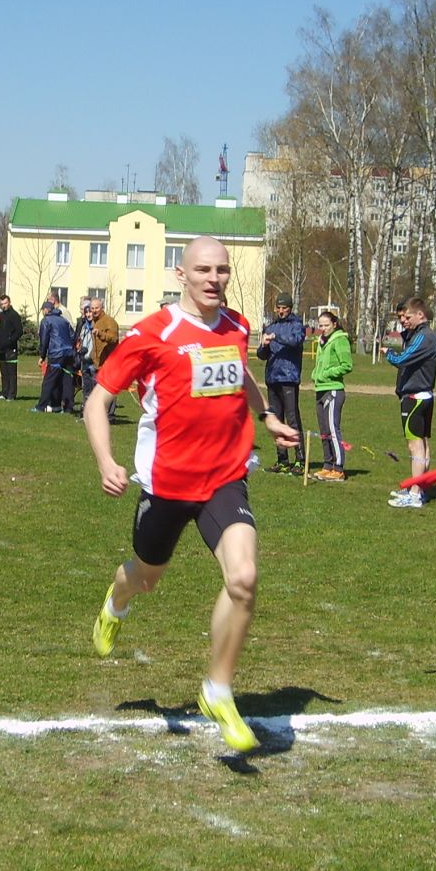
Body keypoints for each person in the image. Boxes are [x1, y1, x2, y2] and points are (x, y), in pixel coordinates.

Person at [83, 235, 300, 753]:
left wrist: (265, 415)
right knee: (146, 578)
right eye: (203, 269)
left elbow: (240, 374)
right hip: (168, 484)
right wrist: (107, 461)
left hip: (225, 474)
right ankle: (116, 603)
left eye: (222, 270)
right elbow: (97, 401)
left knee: (244, 577)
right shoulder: (150, 334)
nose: (214, 279)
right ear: (182, 275)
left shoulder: (238, 326)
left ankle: (217, 690)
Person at [385, 297, 436, 508]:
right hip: (421, 396)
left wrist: (389, 354)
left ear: (420, 315)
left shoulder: (425, 337)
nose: (404, 321)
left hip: (415, 397)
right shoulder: (420, 335)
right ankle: (419, 488)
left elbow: (402, 359)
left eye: (407, 317)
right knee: (422, 445)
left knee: (415, 446)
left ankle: (415, 493)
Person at [256, 294, 306, 474]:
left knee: (292, 419)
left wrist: (276, 337)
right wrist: (263, 345)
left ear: (290, 308)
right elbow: (262, 355)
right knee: (276, 419)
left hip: (289, 377)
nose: (281, 310)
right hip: (272, 378)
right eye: (278, 307)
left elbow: (295, 341)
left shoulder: (297, 325)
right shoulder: (271, 326)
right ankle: (282, 459)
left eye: (284, 307)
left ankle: (300, 459)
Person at [311, 310, 352, 482]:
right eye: (320, 325)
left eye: (326, 325)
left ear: (334, 324)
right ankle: (327, 465)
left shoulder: (340, 340)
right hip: (320, 389)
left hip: (334, 389)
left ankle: (339, 468)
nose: (323, 329)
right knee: (324, 430)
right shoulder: (321, 341)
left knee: (333, 429)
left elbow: (347, 365)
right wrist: (316, 374)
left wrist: (326, 374)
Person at [35, 300, 76, 413]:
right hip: (69, 354)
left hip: (56, 354)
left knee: (49, 380)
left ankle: (41, 406)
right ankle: (66, 407)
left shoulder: (46, 321)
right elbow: (73, 336)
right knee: (66, 380)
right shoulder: (64, 320)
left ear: (46, 310)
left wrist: (42, 356)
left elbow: (44, 340)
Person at [88, 298, 121, 419]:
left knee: (109, 389)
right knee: (98, 390)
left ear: (102, 308)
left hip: (110, 361)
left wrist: (101, 334)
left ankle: (109, 415)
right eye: (92, 308)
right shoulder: (94, 322)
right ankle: (100, 413)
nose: (94, 310)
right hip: (98, 362)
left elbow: (114, 338)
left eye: (96, 308)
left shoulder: (109, 321)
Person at [0, 294, 23, 401]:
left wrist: (10, 340)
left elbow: (19, 331)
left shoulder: (14, 315)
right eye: (2, 304)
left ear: (9, 302)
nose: (4, 306)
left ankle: (12, 394)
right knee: (4, 372)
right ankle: (4, 392)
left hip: (11, 348)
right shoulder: (2, 315)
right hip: (1, 348)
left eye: (5, 303)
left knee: (11, 372)